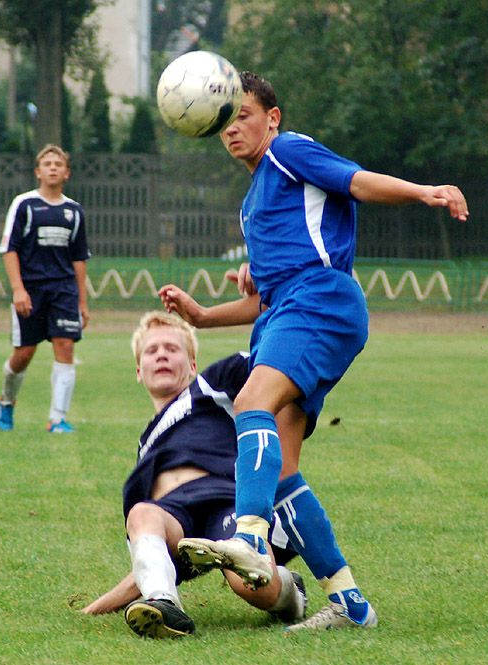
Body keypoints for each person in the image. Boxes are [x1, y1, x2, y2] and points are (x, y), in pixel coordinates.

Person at [159, 71, 469, 631]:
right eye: (225, 121)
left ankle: (249, 532)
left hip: (319, 302)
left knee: (250, 403)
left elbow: (356, 181)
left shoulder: (288, 151)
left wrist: (423, 191)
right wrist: (204, 315)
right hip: (290, 312)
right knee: (283, 472)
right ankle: (351, 606)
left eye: (244, 116)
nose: (233, 130)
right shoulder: (254, 199)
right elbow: (265, 300)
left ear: (272, 119)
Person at [81, 311, 307, 638]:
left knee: (248, 586)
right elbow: (156, 563)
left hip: (229, 500)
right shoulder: (146, 446)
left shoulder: (212, 384)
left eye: (172, 349)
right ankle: (163, 604)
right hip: (178, 518)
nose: (161, 354)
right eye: (151, 350)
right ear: (138, 371)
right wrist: (94, 610)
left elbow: (274, 364)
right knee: (143, 513)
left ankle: (290, 592)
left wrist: (270, 299)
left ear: (192, 366)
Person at [0, 145, 90, 433]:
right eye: (46, 163)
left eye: (58, 164)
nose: (52, 167)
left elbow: (79, 258)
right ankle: (7, 401)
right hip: (31, 290)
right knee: (24, 353)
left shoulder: (74, 211)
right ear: (38, 172)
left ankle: (57, 419)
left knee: (65, 346)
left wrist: (83, 303)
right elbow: (9, 249)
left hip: (63, 290)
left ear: (67, 173)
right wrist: (18, 289)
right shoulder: (24, 205)